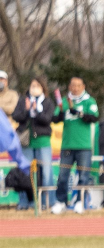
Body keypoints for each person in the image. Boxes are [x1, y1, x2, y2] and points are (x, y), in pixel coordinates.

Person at [53, 76, 99, 213]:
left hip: (84, 146)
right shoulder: (64, 102)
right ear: (69, 87)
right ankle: (61, 202)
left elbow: (94, 117)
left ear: (83, 86)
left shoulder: (89, 101)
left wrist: (77, 113)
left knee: (84, 176)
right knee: (62, 176)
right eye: (73, 85)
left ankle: (80, 201)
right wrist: (62, 111)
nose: (76, 88)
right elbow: (55, 119)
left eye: (78, 85)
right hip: (67, 145)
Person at [10, 79, 54, 207]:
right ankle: (25, 202)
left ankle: (48, 202)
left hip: (42, 140)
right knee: (25, 172)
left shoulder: (47, 102)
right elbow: (16, 116)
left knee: (46, 172)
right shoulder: (23, 100)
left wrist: (37, 111)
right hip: (26, 142)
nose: (34, 88)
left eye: (38, 86)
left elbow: (47, 119)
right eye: (32, 85)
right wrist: (27, 110)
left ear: (43, 88)